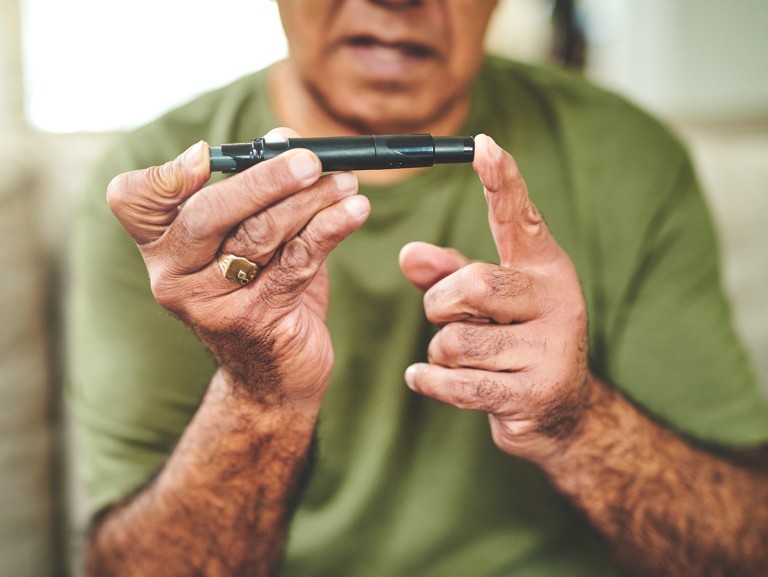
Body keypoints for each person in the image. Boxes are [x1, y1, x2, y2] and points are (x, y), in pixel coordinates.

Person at [68, 1, 768, 575]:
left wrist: (576, 421)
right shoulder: (160, 206)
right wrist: (258, 398)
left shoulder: (629, 157)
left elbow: (747, 546)